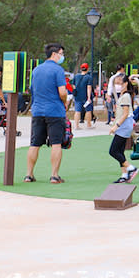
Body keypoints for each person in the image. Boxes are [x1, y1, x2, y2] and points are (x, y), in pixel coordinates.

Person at [25, 43, 69, 184]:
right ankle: (54, 175)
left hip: (38, 111)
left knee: (35, 143)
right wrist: (65, 101)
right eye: (61, 53)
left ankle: (29, 174)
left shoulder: (36, 70)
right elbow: (62, 92)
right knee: (56, 143)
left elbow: (32, 89)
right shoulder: (58, 70)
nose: (62, 56)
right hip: (55, 111)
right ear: (55, 54)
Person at [107, 73, 138, 183]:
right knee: (120, 151)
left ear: (125, 84)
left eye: (120, 83)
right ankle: (124, 174)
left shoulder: (125, 96)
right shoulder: (124, 96)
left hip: (124, 126)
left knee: (113, 151)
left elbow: (125, 114)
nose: (118, 85)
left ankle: (131, 168)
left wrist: (116, 126)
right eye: (116, 84)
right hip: (124, 125)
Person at [72, 63, 94, 130]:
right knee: (88, 110)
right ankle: (88, 124)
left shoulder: (76, 76)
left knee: (77, 111)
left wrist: (76, 90)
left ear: (81, 69)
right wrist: (89, 97)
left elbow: (73, 85)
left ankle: (76, 125)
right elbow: (89, 87)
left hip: (77, 96)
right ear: (87, 69)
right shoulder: (89, 77)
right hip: (85, 97)